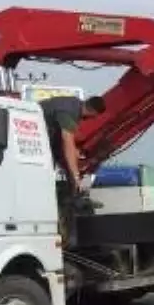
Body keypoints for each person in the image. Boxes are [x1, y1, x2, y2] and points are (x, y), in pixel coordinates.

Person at [40, 94, 107, 245]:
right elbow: (67, 142)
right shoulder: (68, 111)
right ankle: (63, 233)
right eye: (94, 117)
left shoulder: (72, 105)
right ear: (93, 112)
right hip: (38, 150)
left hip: (43, 146)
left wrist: (75, 156)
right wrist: (76, 177)